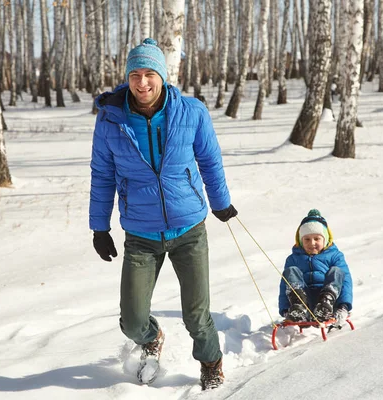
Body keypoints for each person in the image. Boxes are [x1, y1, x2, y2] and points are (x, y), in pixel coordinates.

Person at [89, 38, 237, 391]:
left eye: (150, 74)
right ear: (127, 77)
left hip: (189, 228)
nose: (142, 83)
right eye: (135, 74)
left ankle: (211, 362)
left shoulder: (191, 112)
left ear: (163, 76)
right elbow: (102, 174)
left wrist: (220, 202)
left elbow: (210, 161)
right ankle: (152, 337)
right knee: (132, 320)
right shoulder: (111, 119)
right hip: (141, 232)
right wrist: (99, 227)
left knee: (197, 316)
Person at [278, 209, 353, 326]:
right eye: (307, 239)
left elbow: (346, 281)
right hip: (304, 300)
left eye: (317, 239)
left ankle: (325, 304)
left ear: (326, 239)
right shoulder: (293, 259)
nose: (312, 243)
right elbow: (284, 284)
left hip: (329, 303)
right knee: (291, 272)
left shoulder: (335, 256)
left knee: (337, 272)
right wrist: (285, 309)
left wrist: (343, 306)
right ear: (301, 241)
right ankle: (299, 308)